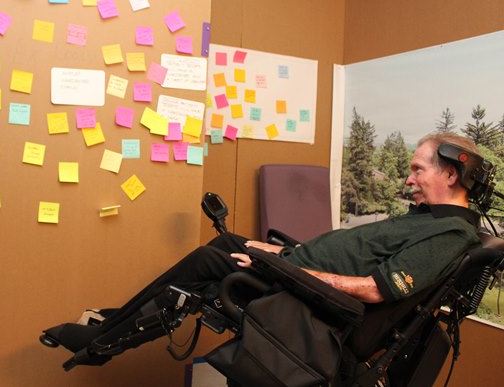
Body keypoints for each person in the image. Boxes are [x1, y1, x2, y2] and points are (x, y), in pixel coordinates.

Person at [41, 132, 482, 366]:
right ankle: (110, 324)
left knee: (208, 263)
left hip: (308, 304)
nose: (409, 179)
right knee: (226, 244)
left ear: (450, 174)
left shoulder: (450, 235)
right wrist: (280, 254)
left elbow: (373, 289)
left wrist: (279, 267)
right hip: (291, 273)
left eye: (417, 169)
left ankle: (102, 341)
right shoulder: (428, 219)